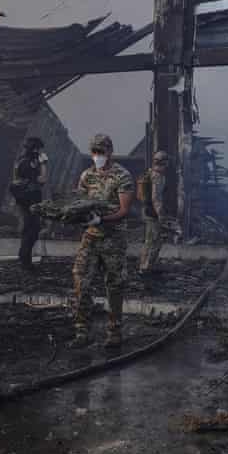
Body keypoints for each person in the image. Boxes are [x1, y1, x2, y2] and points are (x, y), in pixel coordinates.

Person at [70, 134, 134, 349]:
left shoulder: (122, 176)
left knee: (114, 285)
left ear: (110, 152)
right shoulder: (86, 176)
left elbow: (124, 210)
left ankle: (114, 332)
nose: (97, 156)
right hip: (90, 237)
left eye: (101, 152)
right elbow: (79, 202)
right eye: (94, 152)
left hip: (113, 239)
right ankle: (82, 331)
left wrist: (102, 219)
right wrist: (76, 216)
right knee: (81, 280)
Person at [11, 137, 48, 271]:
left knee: (30, 228)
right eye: (39, 149)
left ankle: (24, 258)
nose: (40, 152)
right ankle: (25, 262)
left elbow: (16, 180)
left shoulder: (20, 161)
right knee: (32, 230)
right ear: (35, 149)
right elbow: (43, 180)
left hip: (24, 200)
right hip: (30, 201)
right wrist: (44, 163)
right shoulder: (28, 163)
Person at [139, 150, 169, 275]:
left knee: (151, 240)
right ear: (164, 162)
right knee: (154, 240)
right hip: (152, 213)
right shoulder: (157, 176)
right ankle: (146, 267)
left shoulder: (150, 173)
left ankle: (147, 265)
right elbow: (156, 197)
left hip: (147, 211)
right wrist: (160, 215)